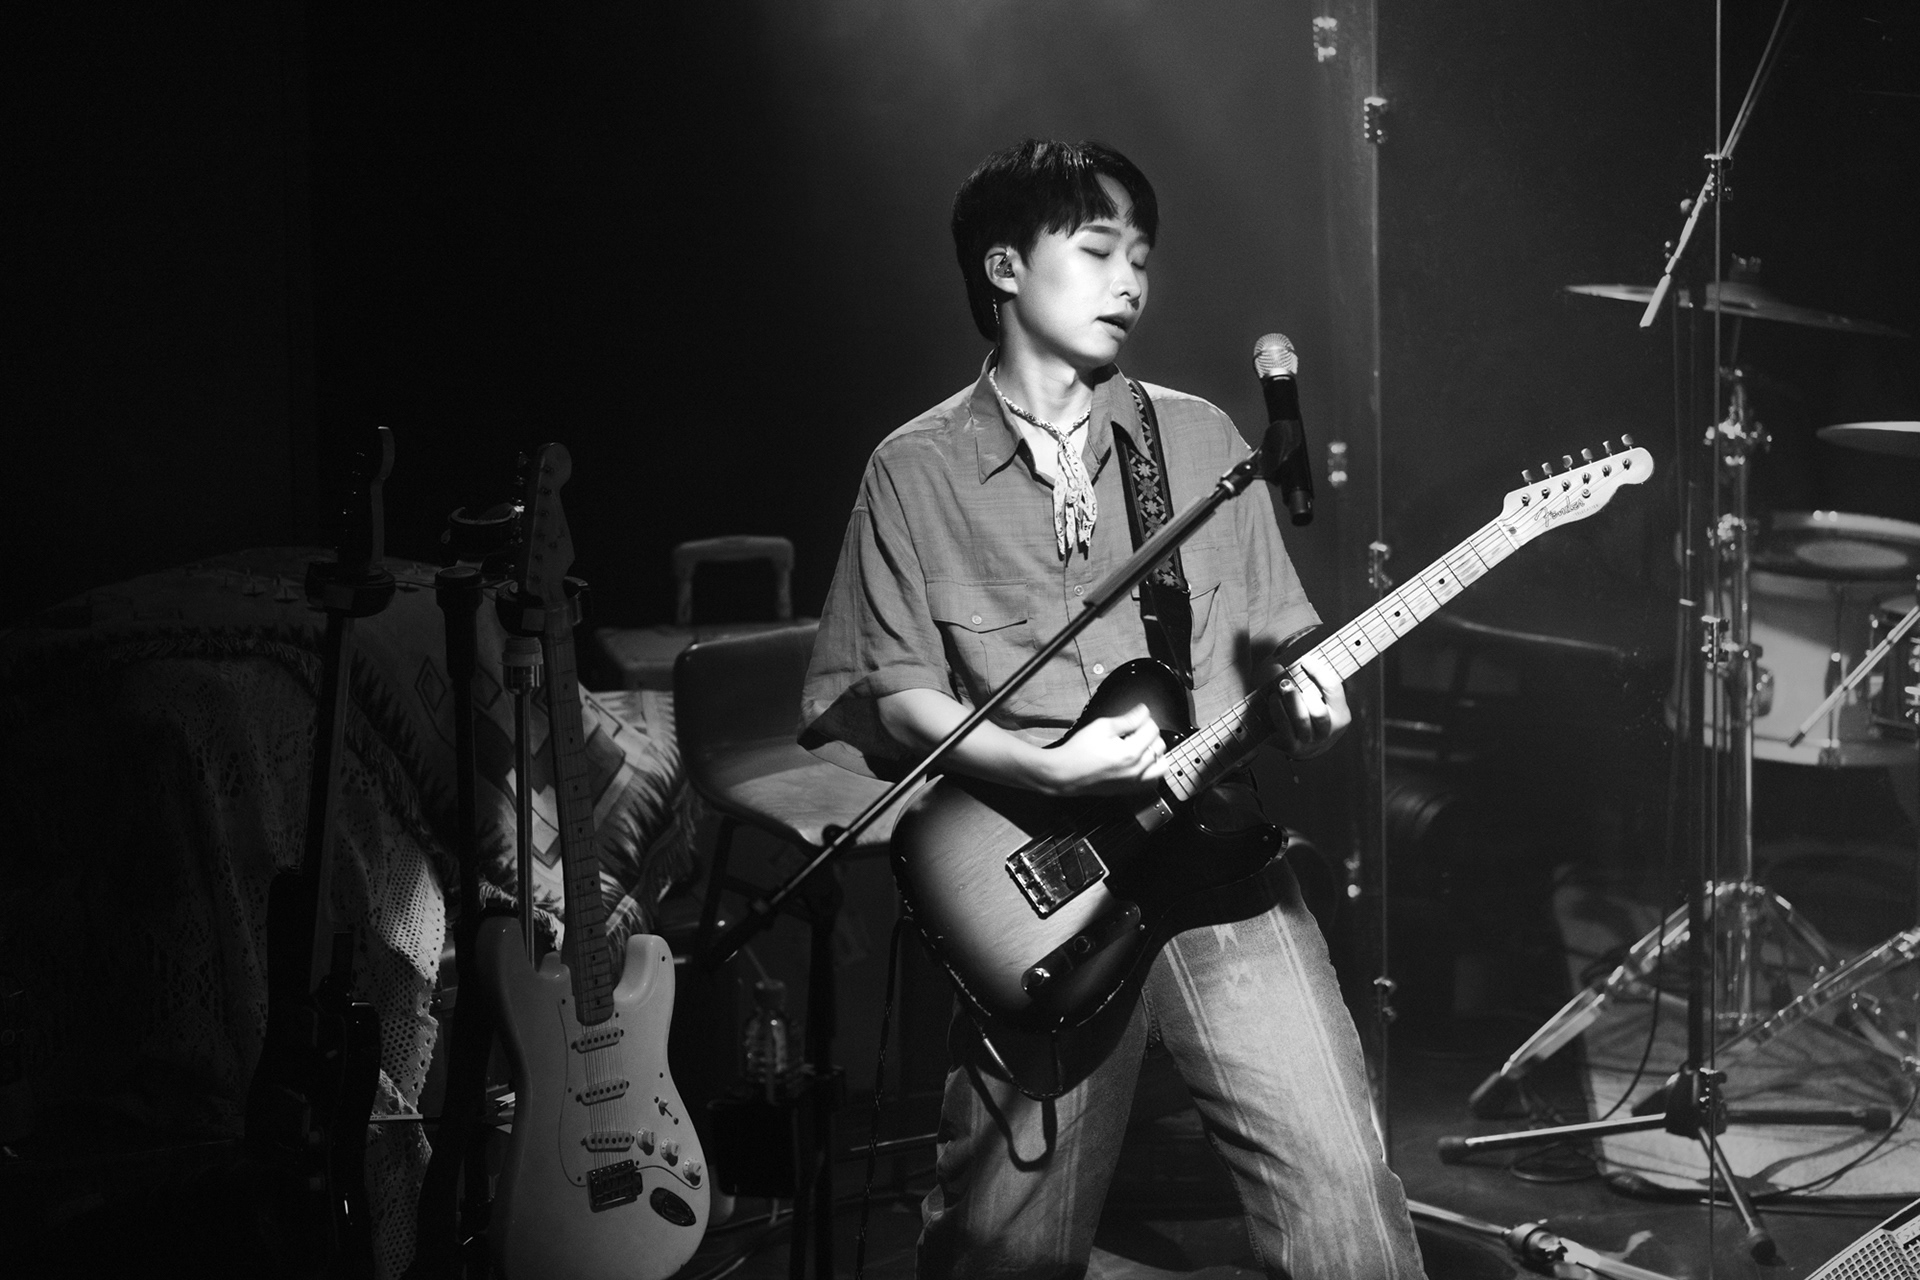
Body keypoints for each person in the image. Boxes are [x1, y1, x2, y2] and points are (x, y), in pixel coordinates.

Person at [799, 139, 1425, 1280]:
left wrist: (1313, 697)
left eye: (1141, 256)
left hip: (1224, 869)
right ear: (1003, 267)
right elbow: (892, 694)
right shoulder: (914, 469)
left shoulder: (1198, 440)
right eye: (1097, 251)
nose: (1130, 279)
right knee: (1003, 1250)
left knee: (1349, 1216)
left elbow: (1284, 637)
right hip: (1041, 894)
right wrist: (1046, 771)